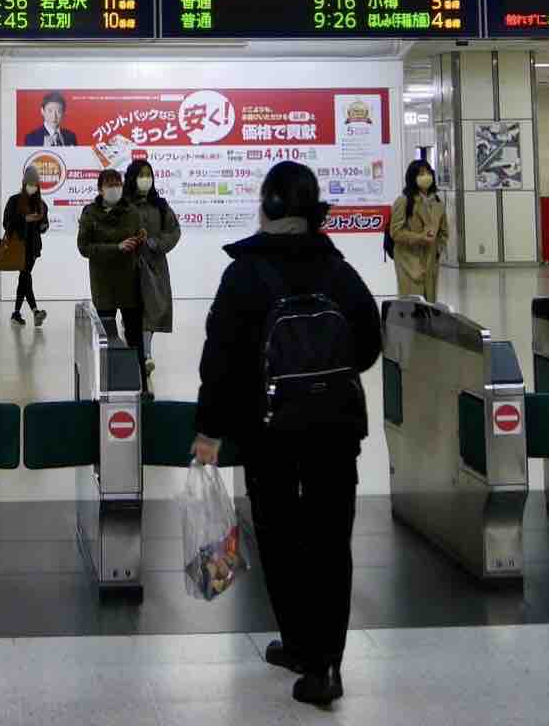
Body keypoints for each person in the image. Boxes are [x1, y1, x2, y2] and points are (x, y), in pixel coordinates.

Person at [191, 161, 383, 708]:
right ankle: (325, 663)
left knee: (276, 533)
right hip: (335, 428)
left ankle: (302, 645)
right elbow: (368, 341)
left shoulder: (244, 273)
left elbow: (219, 361)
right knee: (329, 540)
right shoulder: (337, 269)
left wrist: (209, 429)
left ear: (268, 207)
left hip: (266, 430)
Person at [75, 168, 145, 369]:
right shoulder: (90, 213)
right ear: (100, 189)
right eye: (109, 184)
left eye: (117, 183)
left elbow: (139, 236)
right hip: (103, 284)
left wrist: (140, 238)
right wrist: (116, 247)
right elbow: (84, 247)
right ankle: (106, 382)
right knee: (106, 337)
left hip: (130, 282)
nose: (114, 188)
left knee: (135, 336)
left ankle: (141, 382)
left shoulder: (132, 211)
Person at [122, 158, 181, 393]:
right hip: (128, 267)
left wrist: (157, 243)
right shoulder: (124, 205)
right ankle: (139, 353)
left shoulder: (161, 205)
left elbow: (174, 231)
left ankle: (145, 354)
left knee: (153, 310)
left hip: (155, 267)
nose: (146, 179)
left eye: (149, 174)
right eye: (141, 174)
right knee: (133, 313)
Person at [390, 158, 448, 299]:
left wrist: (438, 250)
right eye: (421, 174)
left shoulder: (438, 202)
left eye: (428, 173)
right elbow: (396, 232)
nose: (426, 177)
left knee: (429, 305)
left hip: (430, 261)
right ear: (412, 177)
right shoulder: (404, 201)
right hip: (409, 261)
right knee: (413, 306)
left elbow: (444, 231)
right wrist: (420, 238)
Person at [3, 166, 50, 326]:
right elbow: (6, 223)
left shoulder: (41, 204)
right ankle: (34, 311)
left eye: (35, 184)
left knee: (24, 276)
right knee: (25, 276)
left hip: (33, 247)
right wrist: (25, 219)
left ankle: (17, 313)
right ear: (24, 184)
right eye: (30, 183)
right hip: (18, 245)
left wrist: (42, 224)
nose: (33, 187)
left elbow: (44, 226)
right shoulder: (14, 201)